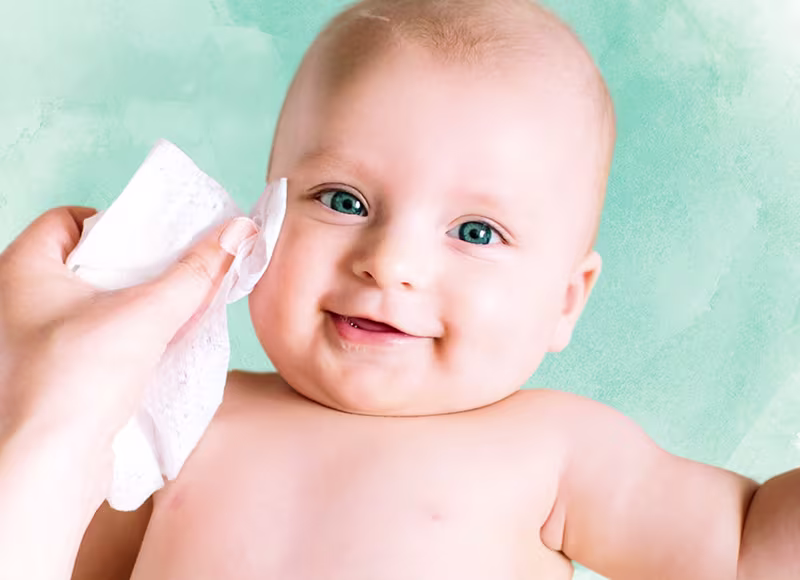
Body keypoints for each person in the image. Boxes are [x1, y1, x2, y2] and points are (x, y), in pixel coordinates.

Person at [1, 1, 798, 579]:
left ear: (566, 300)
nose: (389, 262)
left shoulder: (555, 449)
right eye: (343, 200)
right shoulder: (180, 417)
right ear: (261, 217)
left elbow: (749, 548)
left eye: (476, 231)